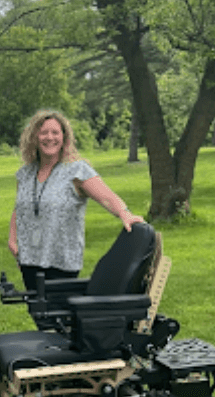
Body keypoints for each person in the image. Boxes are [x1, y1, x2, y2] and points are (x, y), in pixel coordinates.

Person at [8, 109, 144, 292]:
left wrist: (124, 213)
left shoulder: (76, 171)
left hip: (61, 263)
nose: (50, 137)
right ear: (34, 137)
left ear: (64, 137)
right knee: (40, 316)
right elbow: (21, 208)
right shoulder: (25, 174)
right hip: (29, 260)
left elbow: (107, 197)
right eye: (44, 132)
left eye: (55, 132)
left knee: (60, 317)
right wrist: (13, 238)